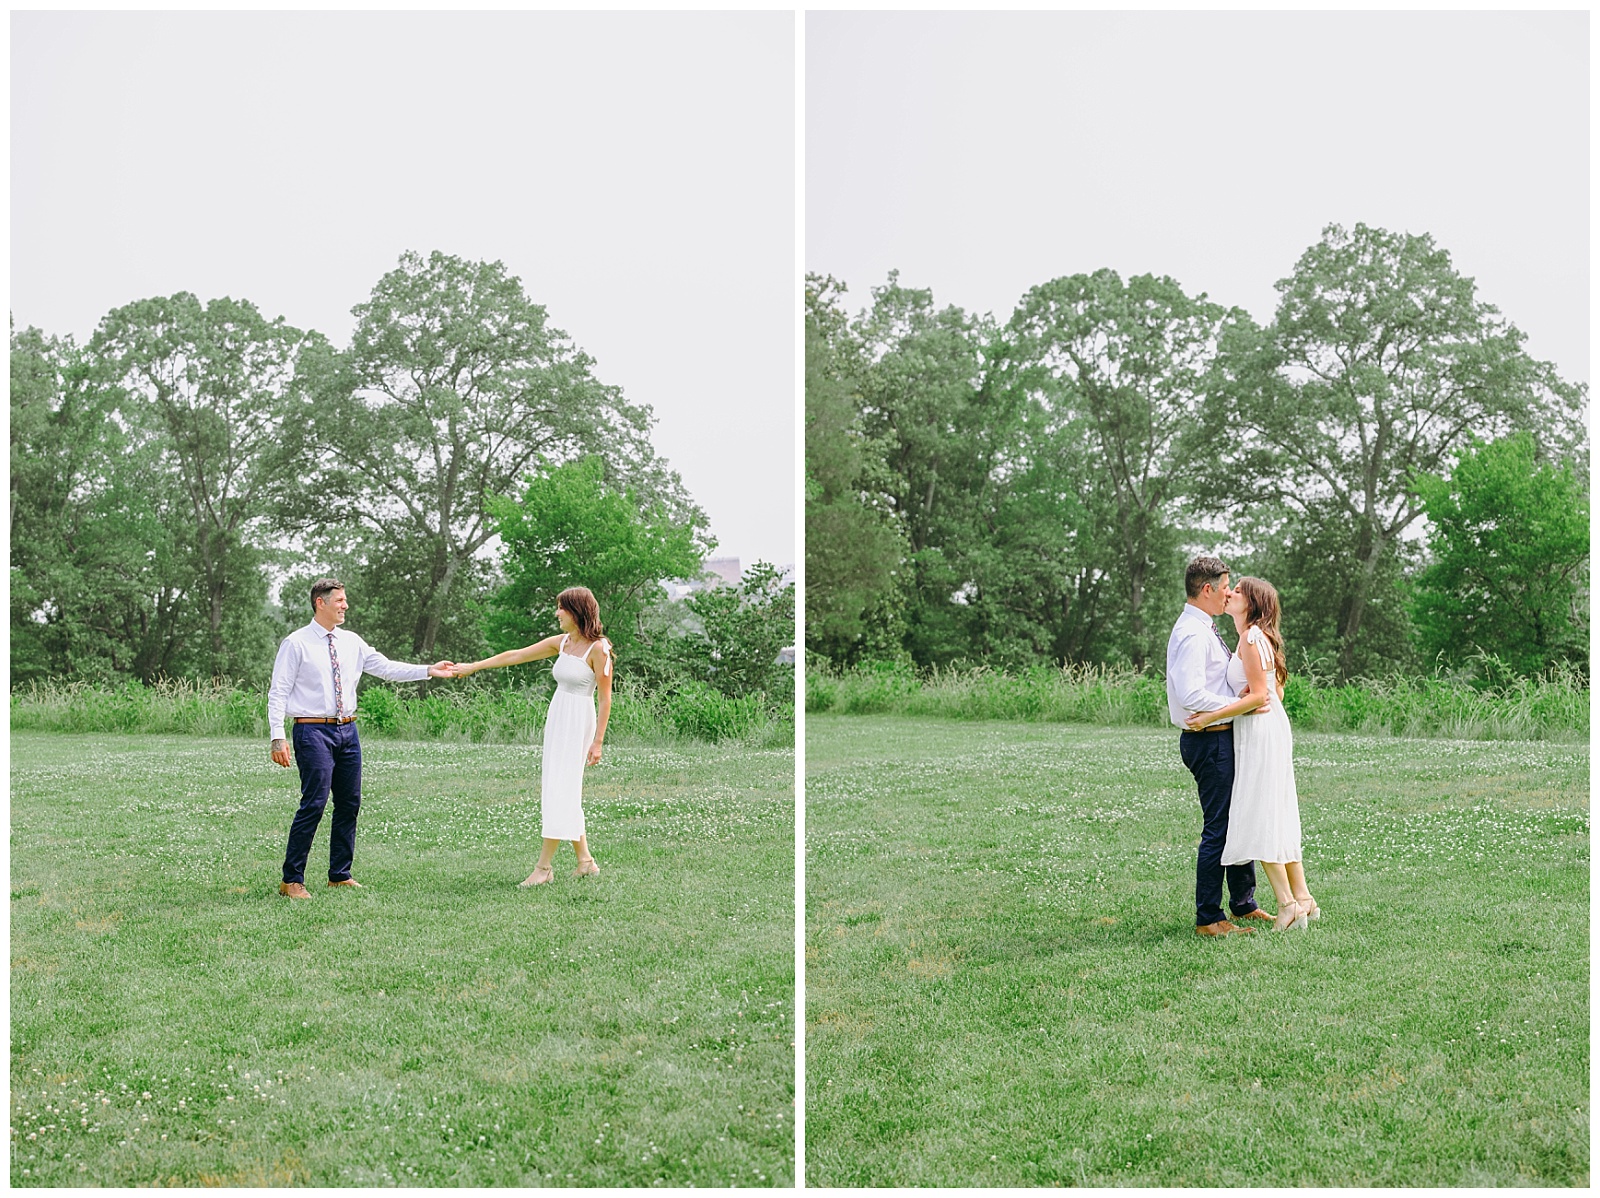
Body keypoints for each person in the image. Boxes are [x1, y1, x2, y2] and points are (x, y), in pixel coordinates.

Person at [268, 578, 455, 898]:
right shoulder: (296, 643)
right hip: (312, 730)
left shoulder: (352, 641)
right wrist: (277, 737)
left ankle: (339, 874)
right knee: (313, 803)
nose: (345, 605)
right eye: (339, 600)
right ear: (320, 603)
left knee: (349, 802)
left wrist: (428, 670)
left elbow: (385, 668)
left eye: (344, 600)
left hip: (347, 731)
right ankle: (291, 880)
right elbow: (279, 691)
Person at [448, 586, 613, 886]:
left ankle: (544, 868)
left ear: (577, 611)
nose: (557, 613)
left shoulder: (598, 649)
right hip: (558, 717)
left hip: (579, 721)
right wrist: (474, 667)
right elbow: (516, 655)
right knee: (561, 787)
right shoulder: (562, 642)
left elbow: (605, 699)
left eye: (561, 608)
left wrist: (598, 741)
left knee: (560, 789)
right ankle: (586, 862)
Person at [1186, 576, 1318, 932]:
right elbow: (1275, 692)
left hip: (1260, 731)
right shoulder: (1253, 638)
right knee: (1271, 808)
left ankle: (1289, 904)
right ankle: (1301, 898)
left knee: (1261, 810)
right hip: (1260, 727)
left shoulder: (1252, 636)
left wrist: (1211, 716)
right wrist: (1249, 697)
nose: (1230, 593)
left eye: (1239, 591)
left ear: (1253, 603)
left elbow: (1263, 697)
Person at [1165, 555, 1273, 937]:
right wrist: (1237, 705)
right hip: (1207, 740)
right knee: (1220, 828)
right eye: (1226, 585)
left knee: (1237, 818)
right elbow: (1191, 693)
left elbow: (1210, 683)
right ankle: (1209, 917)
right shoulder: (1193, 634)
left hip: (1222, 735)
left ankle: (1243, 904)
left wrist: (1235, 694)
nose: (1230, 592)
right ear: (1208, 588)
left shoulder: (1204, 627)